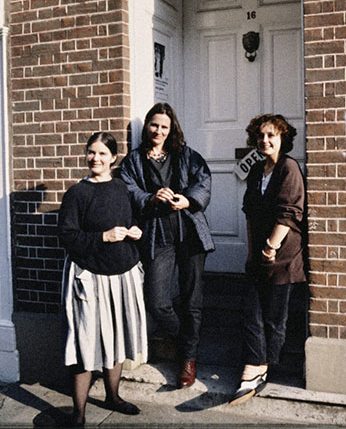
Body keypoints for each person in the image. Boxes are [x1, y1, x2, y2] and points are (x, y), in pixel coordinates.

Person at [119, 102, 214, 389]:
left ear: (171, 129)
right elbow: (127, 188)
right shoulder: (133, 160)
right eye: (154, 125)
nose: (158, 131)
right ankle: (188, 341)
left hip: (190, 234)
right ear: (146, 126)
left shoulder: (186, 155)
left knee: (191, 299)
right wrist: (149, 197)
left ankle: (188, 358)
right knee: (157, 301)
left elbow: (204, 181)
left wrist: (188, 200)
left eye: (164, 126)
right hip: (158, 235)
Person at [58, 132, 147, 424]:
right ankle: (79, 413)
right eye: (91, 153)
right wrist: (103, 237)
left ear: (113, 158)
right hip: (89, 277)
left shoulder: (121, 188)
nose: (95, 158)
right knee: (85, 342)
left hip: (122, 275)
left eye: (101, 154)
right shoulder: (76, 193)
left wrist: (135, 230)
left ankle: (113, 396)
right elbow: (68, 237)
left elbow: (133, 218)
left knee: (118, 336)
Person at [229, 114, 306, 406]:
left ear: (282, 138)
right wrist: (253, 252)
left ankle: (262, 367)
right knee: (251, 311)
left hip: (283, 255)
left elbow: (289, 213)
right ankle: (255, 365)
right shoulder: (257, 170)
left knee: (274, 317)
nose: (265, 141)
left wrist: (271, 247)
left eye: (271, 135)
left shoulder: (289, 168)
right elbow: (249, 211)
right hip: (259, 255)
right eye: (261, 136)